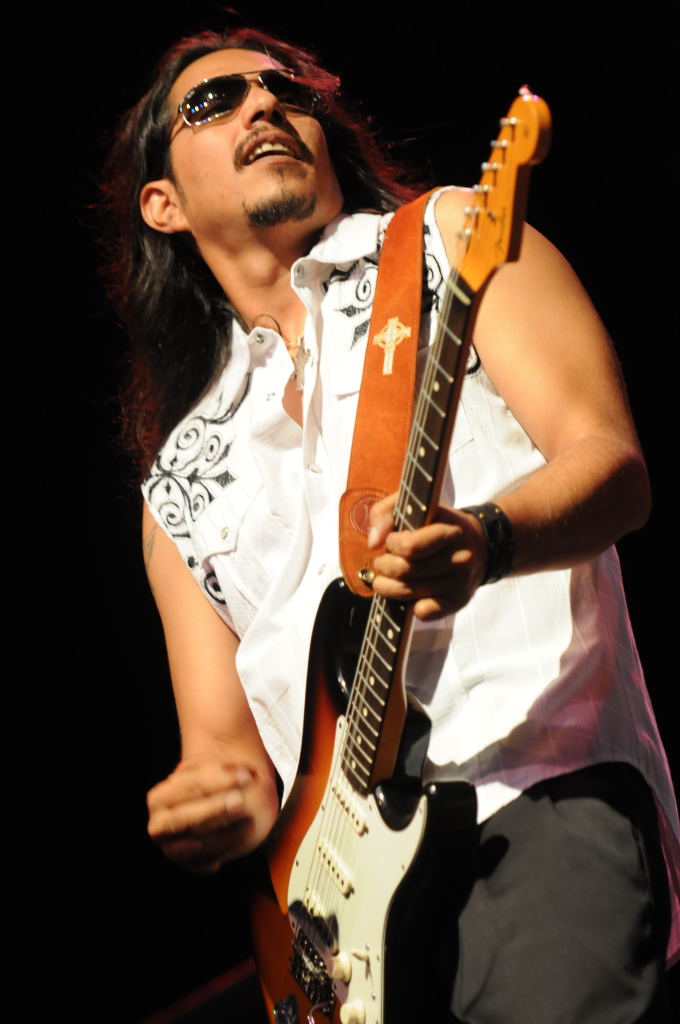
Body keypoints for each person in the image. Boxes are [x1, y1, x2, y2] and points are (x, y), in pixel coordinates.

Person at [102, 24, 679, 1023]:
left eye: (287, 90)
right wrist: (210, 799)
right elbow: (226, 753)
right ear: (164, 204)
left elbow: (612, 467)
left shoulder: (453, 238)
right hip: (343, 932)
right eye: (215, 101)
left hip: (530, 788)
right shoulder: (179, 483)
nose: (265, 105)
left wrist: (488, 540)